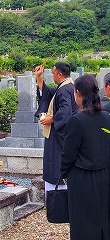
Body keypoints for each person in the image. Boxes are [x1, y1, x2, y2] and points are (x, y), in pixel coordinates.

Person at [61, 74, 110, 239]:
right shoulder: (106, 118)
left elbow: (68, 155)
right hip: (105, 174)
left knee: (83, 221)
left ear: (78, 93)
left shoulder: (77, 121)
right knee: (103, 216)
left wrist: (64, 174)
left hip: (82, 178)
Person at [34, 62, 78, 193]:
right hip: (64, 133)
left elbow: (65, 110)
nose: (52, 75)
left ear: (59, 74)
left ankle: (56, 196)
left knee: (55, 163)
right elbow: (48, 92)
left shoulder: (64, 89)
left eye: (53, 73)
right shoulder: (68, 86)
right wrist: (39, 77)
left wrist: (51, 119)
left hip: (60, 135)